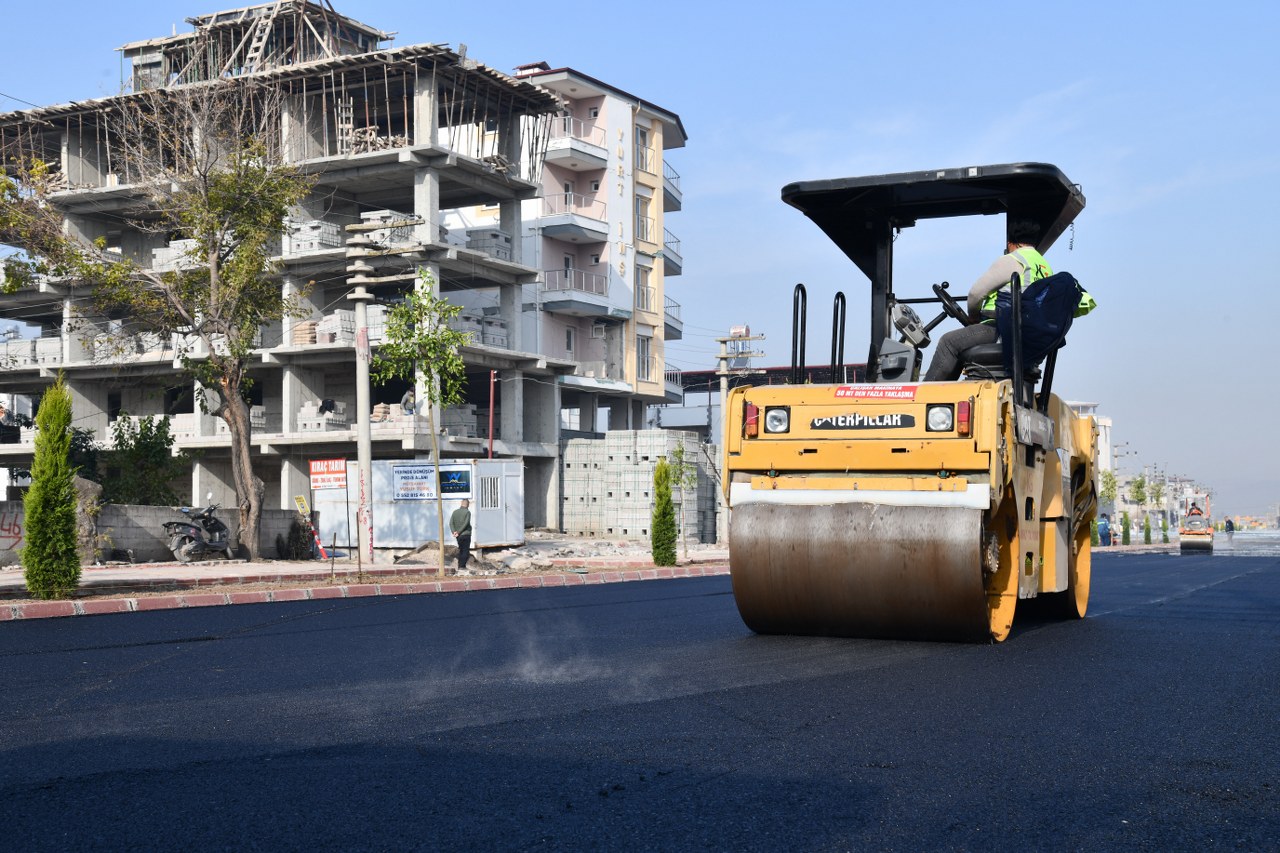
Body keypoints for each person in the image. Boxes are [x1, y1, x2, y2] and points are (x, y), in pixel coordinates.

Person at [923, 217, 1095, 381]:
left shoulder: (1013, 259)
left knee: (949, 342)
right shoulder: (1044, 266)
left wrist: (973, 317)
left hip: (1002, 330)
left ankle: (925, 398)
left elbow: (976, 293)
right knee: (961, 343)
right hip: (1026, 333)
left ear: (1011, 243)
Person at [449, 498, 472, 572]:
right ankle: (462, 566)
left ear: (461, 503)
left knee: (461, 550)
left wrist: (454, 532)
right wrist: (458, 532)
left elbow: (451, 523)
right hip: (465, 534)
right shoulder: (467, 512)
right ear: (468, 505)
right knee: (465, 551)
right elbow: (466, 523)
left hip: (458, 536)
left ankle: (460, 566)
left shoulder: (455, 512)